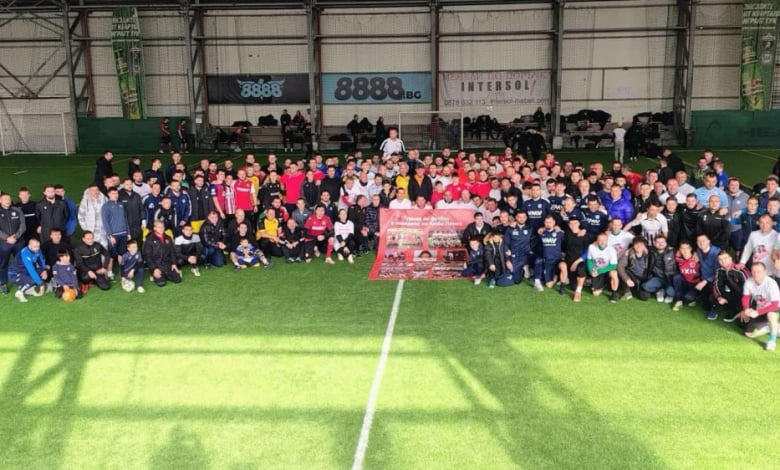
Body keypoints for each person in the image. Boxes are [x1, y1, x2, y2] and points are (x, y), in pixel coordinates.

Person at [739, 262, 780, 351]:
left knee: (771, 315)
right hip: (761, 309)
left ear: (765, 272)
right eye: (754, 272)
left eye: (759, 272)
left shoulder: (771, 283)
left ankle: (772, 341)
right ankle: (771, 327)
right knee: (748, 333)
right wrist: (746, 309)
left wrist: (757, 312)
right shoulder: (749, 282)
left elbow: (775, 305)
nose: (756, 274)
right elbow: (746, 297)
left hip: (775, 308)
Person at [0, 192, 26, 295]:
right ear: (0, 201)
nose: (8, 201)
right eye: (5, 199)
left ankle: (21, 282)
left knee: (20, 263)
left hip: (18, 242)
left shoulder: (17, 210)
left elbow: (23, 226)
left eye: (9, 199)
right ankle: (3, 283)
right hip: (4, 243)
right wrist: (7, 238)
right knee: (3, 264)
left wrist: (15, 236)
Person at [534, 215, 567, 294]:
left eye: (550, 222)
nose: (548, 224)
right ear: (544, 223)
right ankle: (557, 276)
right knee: (549, 285)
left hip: (557, 260)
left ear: (554, 223)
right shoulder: (541, 233)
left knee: (563, 266)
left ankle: (562, 287)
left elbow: (566, 243)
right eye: (546, 222)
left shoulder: (560, 233)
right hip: (547, 261)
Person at [713, 251, 749, 323]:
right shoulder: (719, 271)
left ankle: (739, 309)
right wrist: (718, 297)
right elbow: (716, 285)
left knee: (743, 323)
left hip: (744, 297)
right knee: (712, 298)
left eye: (725, 258)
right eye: (720, 259)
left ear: (730, 259)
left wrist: (745, 307)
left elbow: (750, 289)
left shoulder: (740, 270)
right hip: (731, 295)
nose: (723, 261)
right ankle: (732, 310)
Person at [143, 220, 182, 286]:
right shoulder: (149, 240)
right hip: (157, 266)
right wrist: (154, 269)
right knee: (161, 283)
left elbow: (172, 252)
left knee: (178, 279)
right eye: (159, 227)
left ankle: (165, 273)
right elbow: (147, 257)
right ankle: (154, 274)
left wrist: (174, 264)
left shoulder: (168, 238)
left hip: (167, 264)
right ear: (154, 228)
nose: (161, 229)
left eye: (162, 227)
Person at [10, 237, 48, 302]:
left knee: (41, 273)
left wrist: (44, 270)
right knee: (33, 280)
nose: (37, 248)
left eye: (38, 246)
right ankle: (19, 292)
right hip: (15, 274)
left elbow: (41, 260)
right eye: (35, 247)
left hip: (25, 271)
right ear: (29, 245)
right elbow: (31, 270)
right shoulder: (25, 253)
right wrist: (41, 284)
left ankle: (28, 290)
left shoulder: (38, 250)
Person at [586, 231, 620, 302]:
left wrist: (599, 271)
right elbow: (589, 260)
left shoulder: (611, 250)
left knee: (614, 273)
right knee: (595, 294)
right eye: (600, 240)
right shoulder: (591, 247)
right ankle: (605, 285)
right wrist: (591, 271)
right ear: (597, 241)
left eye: (604, 240)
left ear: (607, 241)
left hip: (606, 270)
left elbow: (613, 266)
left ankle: (614, 294)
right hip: (596, 270)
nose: (602, 242)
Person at [102, 187, 130, 270]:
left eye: (116, 193)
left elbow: (125, 219)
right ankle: (109, 272)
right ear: (109, 194)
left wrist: (128, 232)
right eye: (113, 193)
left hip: (123, 233)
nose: (115, 195)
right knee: (112, 254)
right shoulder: (106, 206)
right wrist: (110, 235)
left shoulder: (121, 204)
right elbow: (105, 222)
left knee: (122, 253)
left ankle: (122, 271)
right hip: (113, 235)